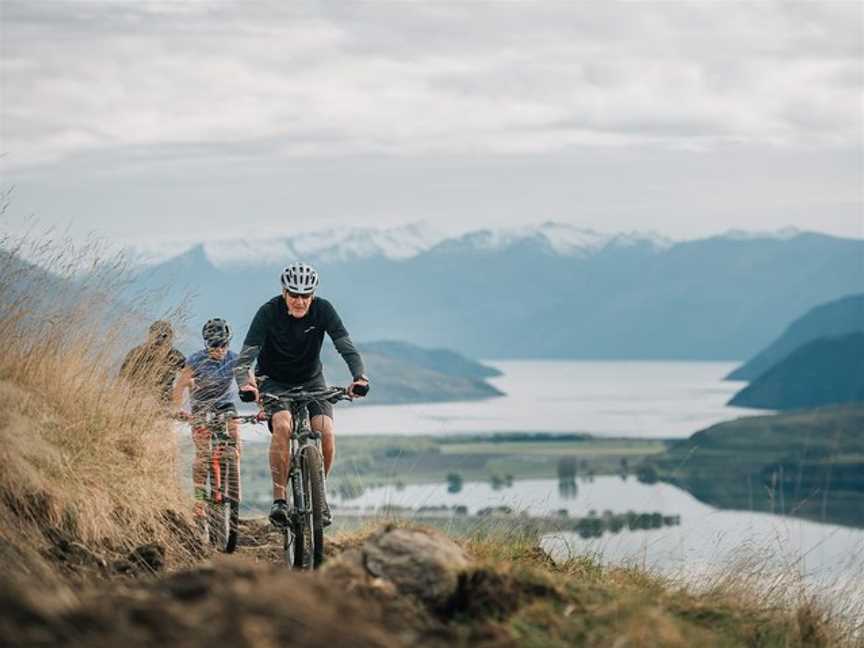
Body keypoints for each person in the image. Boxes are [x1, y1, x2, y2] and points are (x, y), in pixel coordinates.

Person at [233, 262, 369, 527]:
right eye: (294, 294)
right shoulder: (268, 312)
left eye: (305, 295)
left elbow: (346, 347)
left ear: (313, 295)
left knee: (325, 431)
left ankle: (320, 496)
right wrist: (246, 385)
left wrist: (359, 377)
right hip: (272, 381)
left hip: (312, 379)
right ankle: (280, 500)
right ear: (284, 292)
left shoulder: (323, 310)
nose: (299, 301)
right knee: (283, 426)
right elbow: (244, 359)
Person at [172, 318, 240, 518]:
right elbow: (180, 386)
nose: (220, 349)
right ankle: (200, 499)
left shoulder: (234, 359)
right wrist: (177, 409)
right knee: (202, 456)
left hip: (226, 406)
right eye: (214, 345)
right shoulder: (194, 360)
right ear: (206, 343)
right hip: (201, 408)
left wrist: (261, 403)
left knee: (234, 445)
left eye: (224, 344)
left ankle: (234, 491)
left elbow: (250, 382)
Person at [119, 320, 185, 402]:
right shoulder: (136, 354)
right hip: (136, 400)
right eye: (157, 337)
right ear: (150, 336)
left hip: (164, 404)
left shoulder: (175, 356)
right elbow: (122, 379)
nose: (160, 341)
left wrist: (178, 402)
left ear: (169, 338)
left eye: (164, 337)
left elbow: (189, 377)